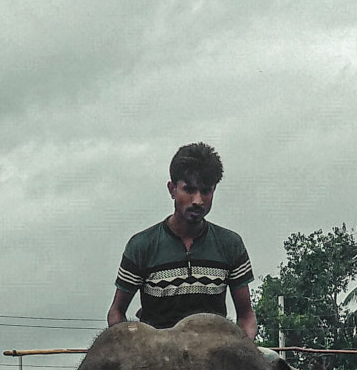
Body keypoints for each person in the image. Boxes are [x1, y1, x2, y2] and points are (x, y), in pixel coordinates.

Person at [108, 142, 257, 340]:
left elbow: (246, 316)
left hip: (216, 355)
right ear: (172, 189)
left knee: (275, 366)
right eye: (189, 189)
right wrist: (132, 350)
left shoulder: (230, 244)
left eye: (206, 190)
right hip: (158, 357)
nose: (198, 200)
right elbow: (116, 313)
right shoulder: (142, 246)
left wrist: (244, 350)